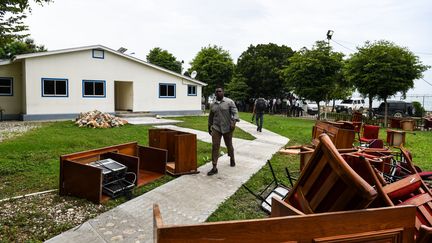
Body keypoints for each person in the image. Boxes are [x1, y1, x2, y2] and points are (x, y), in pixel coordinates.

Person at [207, 87, 240, 176]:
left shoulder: (229, 102)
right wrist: (209, 126)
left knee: (229, 145)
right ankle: (214, 167)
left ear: (223, 92)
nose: (218, 92)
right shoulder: (213, 104)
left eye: (220, 91)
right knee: (215, 146)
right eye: (216, 91)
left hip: (227, 128)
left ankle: (232, 158)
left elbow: (235, 112)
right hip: (216, 128)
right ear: (215, 94)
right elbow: (211, 116)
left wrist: (233, 122)